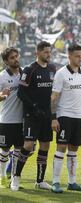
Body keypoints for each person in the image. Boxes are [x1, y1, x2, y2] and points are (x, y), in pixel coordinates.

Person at [12, 41, 56, 191]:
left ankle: (40, 180)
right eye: (45, 52)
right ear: (37, 53)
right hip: (32, 114)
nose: (48, 55)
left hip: (46, 115)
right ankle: (16, 177)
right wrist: (34, 106)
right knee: (28, 145)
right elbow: (21, 92)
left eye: (50, 52)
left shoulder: (52, 69)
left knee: (45, 146)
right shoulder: (30, 70)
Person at [50, 44, 81, 193]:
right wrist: (54, 118)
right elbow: (53, 98)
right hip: (64, 116)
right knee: (61, 148)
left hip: (79, 116)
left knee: (74, 150)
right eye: (77, 56)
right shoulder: (61, 74)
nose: (80, 59)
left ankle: (72, 182)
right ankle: (55, 182)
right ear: (70, 57)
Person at [0, 47, 23, 188]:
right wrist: (2, 95)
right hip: (6, 120)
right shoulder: (2, 76)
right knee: (4, 151)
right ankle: (2, 177)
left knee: (20, 150)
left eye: (17, 56)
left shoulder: (24, 73)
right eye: (12, 58)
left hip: (22, 120)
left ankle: (14, 177)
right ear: (6, 61)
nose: (16, 59)